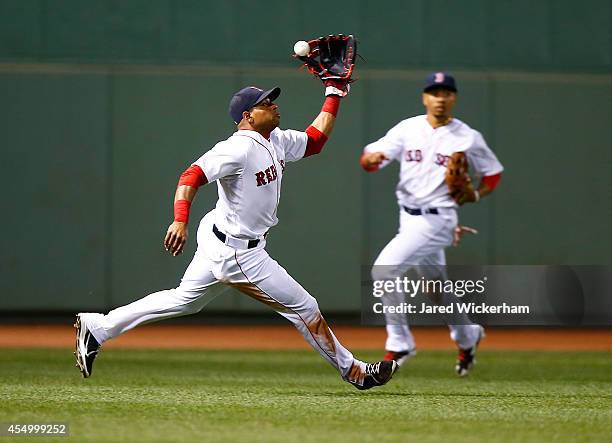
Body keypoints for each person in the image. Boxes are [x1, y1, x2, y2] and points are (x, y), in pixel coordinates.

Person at [74, 81, 397, 390]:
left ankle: (98, 327)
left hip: (219, 236)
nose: (274, 105)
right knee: (305, 308)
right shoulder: (236, 148)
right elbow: (192, 175)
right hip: (239, 254)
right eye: (265, 103)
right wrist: (179, 220)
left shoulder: (276, 140)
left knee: (182, 300)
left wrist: (334, 93)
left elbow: (315, 141)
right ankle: (354, 371)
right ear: (247, 116)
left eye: (272, 100)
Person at [360, 72, 503, 376]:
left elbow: (493, 173)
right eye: (434, 92)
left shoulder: (467, 137)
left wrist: (475, 194)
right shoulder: (407, 129)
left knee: (384, 270)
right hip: (408, 217)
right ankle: (467, 335)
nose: (440, 98)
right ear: (425, 97)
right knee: (436, 289)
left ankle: (400, 342)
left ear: (454, 98)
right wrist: (371, 160)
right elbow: (370, 159)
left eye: (446, 92)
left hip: (438, 219)